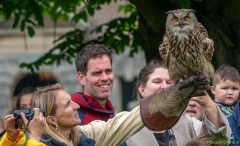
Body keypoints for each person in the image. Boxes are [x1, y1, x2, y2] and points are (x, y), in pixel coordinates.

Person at [1, 77, 210, 146]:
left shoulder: (86, 136)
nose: (75, 105)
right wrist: (31, 137)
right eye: (67, 105)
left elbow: (127, 120)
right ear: (52, 119)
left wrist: (173, 94)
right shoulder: (34, 141)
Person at [126, 60, 231, 146]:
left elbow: (220, 142)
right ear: (142, 90)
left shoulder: (190, 124)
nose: (165, 87)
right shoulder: (127, 128)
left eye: (169, 82)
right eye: (157, 81)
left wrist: (209, 104)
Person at [71, 44, 115, 125]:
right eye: (97, 73)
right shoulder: (72, 119)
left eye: (108, 71)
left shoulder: (114, 117)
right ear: (81, 78)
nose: (105, 78)